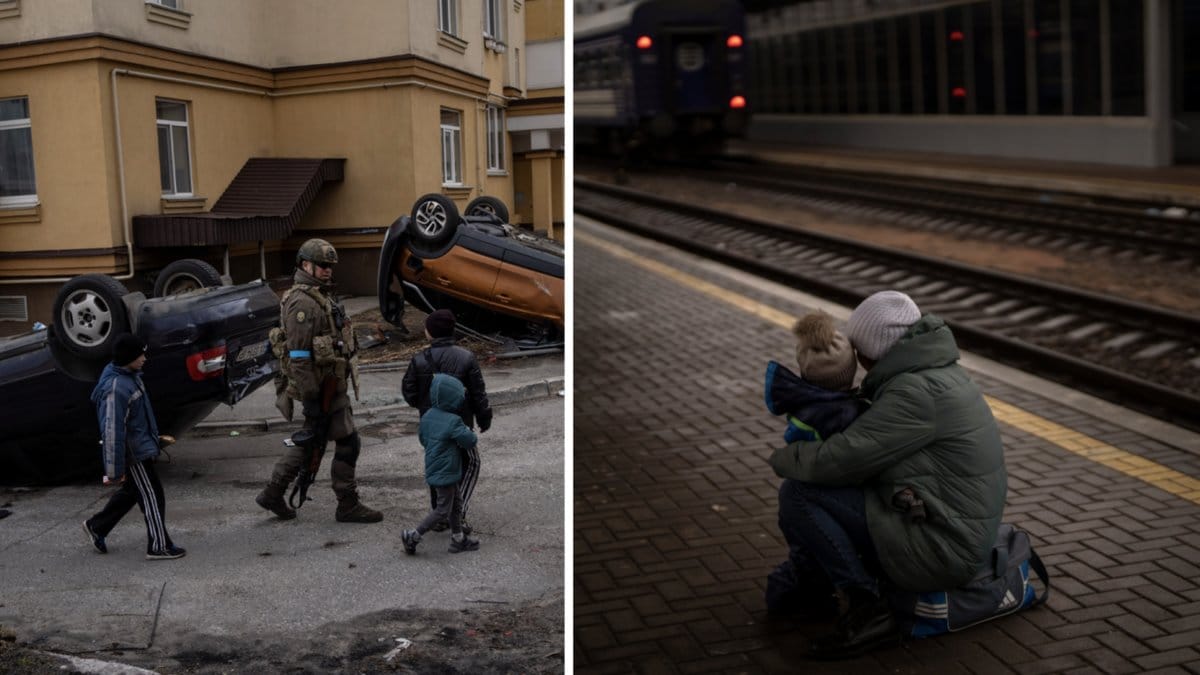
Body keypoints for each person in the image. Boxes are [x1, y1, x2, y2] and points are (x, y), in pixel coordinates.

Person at [768, 290, 1007, 659]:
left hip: (944, 548)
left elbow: (840, 460)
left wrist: (785, 456)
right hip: (950, 525)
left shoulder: (914, 392)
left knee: (799, 494)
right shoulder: (935, 373)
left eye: (860, 351)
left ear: (874, 351)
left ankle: (870, 609)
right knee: (827, 498)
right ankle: (815, 590)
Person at [255, 238, 382, 523]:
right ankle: (346, 503)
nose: (328, 270)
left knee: (313, 442)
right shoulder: (302, 302)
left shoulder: (318, 296)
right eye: (322, 265)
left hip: (330, 385)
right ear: (305, 265)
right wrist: (311, 397)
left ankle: (273, 493)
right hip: (320, 389)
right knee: (340, 442)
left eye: (330, 266)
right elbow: (298, 355)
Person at [762, 310, 866, 616]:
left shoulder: (808, 412)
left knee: (806, 552)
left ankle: (803, 592)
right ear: (851, 372)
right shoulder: (848, 414)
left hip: (814, 506)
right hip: (828, 501)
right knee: (807, 557)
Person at [82, 334, 186, 560]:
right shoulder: (116, 388)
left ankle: (97, 526)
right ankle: (158, 545)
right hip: (134, 454)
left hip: (139, 447)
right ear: (129, 357)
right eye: (141, 354)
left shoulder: (129, 376)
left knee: (132, 492)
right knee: (152, 495)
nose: (145, 358)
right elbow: (111, 432)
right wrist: (114, 471)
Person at [401, 309, 492, 534]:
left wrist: (425, 406)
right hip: (460, 423)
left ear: (430, 332)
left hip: (430, 425)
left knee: (438, 465)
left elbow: (409, 393)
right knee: (466, 464)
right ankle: (457, 513)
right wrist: (484, 417)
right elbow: (478, 393)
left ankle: (440, 512)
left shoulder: (419, 359)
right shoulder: (466, 357)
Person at [401, 373, 480, 555]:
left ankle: (458, 539)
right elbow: (470, 441)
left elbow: (423, 439)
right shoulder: (453, 421)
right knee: (443, 510)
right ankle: (413, 535)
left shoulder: (428, 415)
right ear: (453, 399)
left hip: (435, 467)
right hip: (447, 471)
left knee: (456, 504)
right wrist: (468, 431)